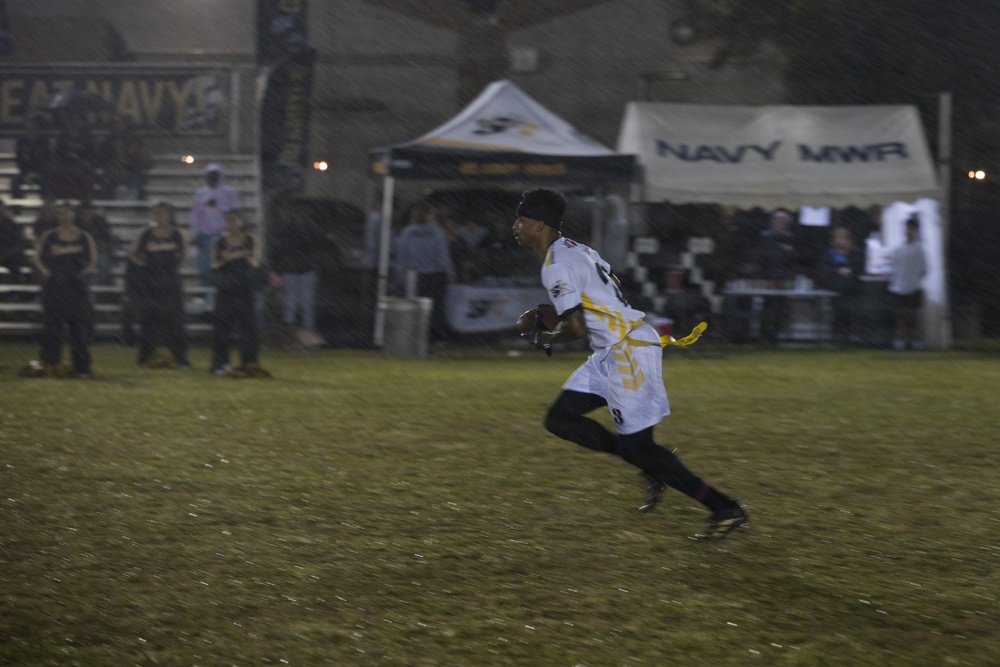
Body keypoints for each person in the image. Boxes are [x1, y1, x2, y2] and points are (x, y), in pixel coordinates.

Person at [512, 187, 748, 539]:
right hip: (610, 350)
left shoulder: (556, 265)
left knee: (643, 449)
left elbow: (575, 327)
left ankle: (723, 507)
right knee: (560, 420)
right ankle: (648, 464)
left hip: (627, 352)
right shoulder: (577, 249)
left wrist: (546, 337)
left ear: (539, 225)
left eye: (522, 221)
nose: (515, 226)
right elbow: (604, 293)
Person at [32, 201, 97, 377]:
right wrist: (47, 273)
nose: (65, 217)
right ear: (57, 216)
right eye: (61, 213)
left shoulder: (84, 236)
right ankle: (51, 364)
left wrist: (82, 274)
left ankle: (82, 366)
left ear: (73, 215)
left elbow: (93, 260)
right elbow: (37, 258)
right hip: (55, 285)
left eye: (68, 213)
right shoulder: (48, 236)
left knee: (79, 329)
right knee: (52, 327)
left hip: (76, 287)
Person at [127, 202, 191, 368]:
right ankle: (145, 356)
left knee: (175, 321)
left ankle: (180, 357)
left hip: (170, 280)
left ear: (170, 215)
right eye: (156, 213)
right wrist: (144, 265)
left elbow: (185, 255)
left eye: (162, 213)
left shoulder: (178, 233)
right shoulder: (145, 233)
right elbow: (132, 253)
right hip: (150, 280)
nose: (159, 216)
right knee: (148, 320)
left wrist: (173, 266)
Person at [210, 209, 266, 376]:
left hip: (244, 286)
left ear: (242, 222)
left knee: (247, 327)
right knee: (222, 327)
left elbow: (256, 263)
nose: (230, 224)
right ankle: (220, 363)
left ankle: (249, 361)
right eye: (228, 221)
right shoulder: (219, 241)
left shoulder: (251, 239)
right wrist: (224, 259)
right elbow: (213, 265)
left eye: (234, 220)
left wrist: (245, 254)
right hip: (226, 287)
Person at [392, 201, 454, 343]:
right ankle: (438, 338)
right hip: (437, 275)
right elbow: (443, 256)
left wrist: (400, 275)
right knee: (437, 308)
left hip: (416, 276)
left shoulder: (407, 232)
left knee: (417, 308)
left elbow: (402, 256)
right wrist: (450, 275)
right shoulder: (437, 232)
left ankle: (418, 337)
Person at [270, 205, 322, 341]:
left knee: (294, 303)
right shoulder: (310, 232)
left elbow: (279, 251)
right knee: (304, 304)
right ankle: (305, 333)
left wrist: (278, 269)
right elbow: (315, 252)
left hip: (292, 270)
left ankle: (291, 332)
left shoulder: (287, 232)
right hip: (302, 270)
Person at [191, 163, 240, 288]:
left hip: (224, 235)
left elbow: (235, 213)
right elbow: (195, 215)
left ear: (220, 176)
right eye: (209, 175)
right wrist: (195, 234)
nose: (212, 177)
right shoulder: (200, 194)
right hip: (205, 236)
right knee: (205, 268)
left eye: (215, 175)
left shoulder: (230, 192)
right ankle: (206, 295)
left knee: (223, 266)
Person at [755, 208, 798, 344]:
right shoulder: (764, 237)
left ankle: (774, 335)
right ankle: (763, 335)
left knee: (780, 307)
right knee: (766, 306)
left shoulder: (790, 238)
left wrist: (785, 275)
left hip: (783, 278)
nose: (779, 223)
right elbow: (761, 258)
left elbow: (792, 260)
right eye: (777, 220)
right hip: (766, 277)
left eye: (782, 221)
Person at [815, 226, 864, 346]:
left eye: (843, 238)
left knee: (848, 314)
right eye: (838, 237)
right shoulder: (829, 254)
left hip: (851, 290)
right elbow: (823, 270)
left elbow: (859, 268)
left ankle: (848, 337)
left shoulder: (855, 253)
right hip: (835, 290)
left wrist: (851, 271)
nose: (840, 241)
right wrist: (837, 271)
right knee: (838, 313)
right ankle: (837, 337)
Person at [888, 215, 927, 351]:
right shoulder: (898, 249)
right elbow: (894, 268)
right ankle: (900, 343)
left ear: (915, 230)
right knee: (901, 317)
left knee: (915, 317)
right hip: (899, 288)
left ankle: (917, 343)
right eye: (906, 228)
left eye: (911, 228)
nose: (908, 231)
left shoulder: (919, 249)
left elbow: (923, 270)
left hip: (914, 287)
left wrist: (914, 280)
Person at [97, 114, 152, 200]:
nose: (118, 125)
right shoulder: (107, 141)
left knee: (138, 176)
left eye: (120, 123)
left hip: (132, 171)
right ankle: (104, 203)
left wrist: (128, 168)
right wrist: (112, 168)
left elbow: (142, 159)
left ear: (126, 124)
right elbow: (102, 159)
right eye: (115, 123)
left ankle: (131, 200)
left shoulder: (135, 140)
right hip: (112, 172)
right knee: (104, 179)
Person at [48, 111, 96, 200]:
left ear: (82, 121)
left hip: (80, 164)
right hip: (65, 164)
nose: (75, 122)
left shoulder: (87, 136)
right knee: (55, 171)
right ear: (69, 121)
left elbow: (90, 154)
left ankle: (83, 197)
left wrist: (85, 160)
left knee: (85, 172)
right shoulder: (63, 136)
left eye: (78, 119)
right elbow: (58, 153)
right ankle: (59, 197)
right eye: (73, 119)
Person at [75, 199, 114, 288]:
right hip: (82, 252)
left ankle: (98, 290)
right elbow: (76, 242)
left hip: (99, 251)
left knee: (104, 264)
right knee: (79, 265)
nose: (86, 213)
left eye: (89, 210)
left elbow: (108, 238)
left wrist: (102, 245)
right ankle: (81, 287)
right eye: (84, 211)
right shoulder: (76, 223)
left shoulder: (100, 221)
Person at [12, 118, 50, 200]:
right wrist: (25, 174)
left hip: (40, 172)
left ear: (37, 129)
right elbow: (19, 160)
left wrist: (34, 174)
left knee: (43, 180)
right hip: (24, 172)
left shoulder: (44, 141)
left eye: (33, 128)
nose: (30, 131)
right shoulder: (21, 142)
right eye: (28, 128)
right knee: (15, 180)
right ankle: (16, 207)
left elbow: (46, 160)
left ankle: (46, 204)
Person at [0, 198, 29, 285]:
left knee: (16, 261)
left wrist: (3, 256)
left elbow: (18, 245)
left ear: (5, 209)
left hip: (10, 256)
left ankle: (16, 290)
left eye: (1, 208)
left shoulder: (13, 225)